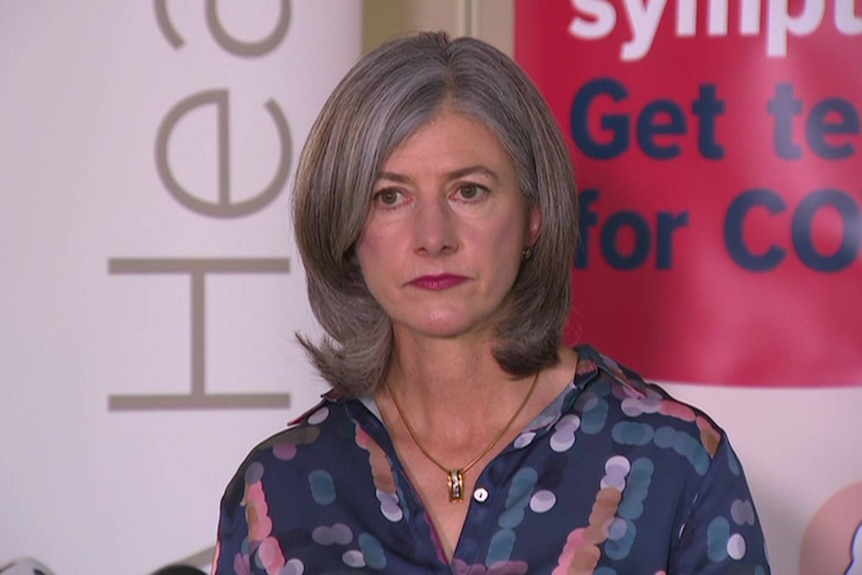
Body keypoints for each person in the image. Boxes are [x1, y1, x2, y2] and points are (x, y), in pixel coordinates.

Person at [212, 31, 771, 574]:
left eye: (468, 190)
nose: (432, 236)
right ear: (347, 228)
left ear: (535, 215)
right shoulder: (276, 490)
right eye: (390, 197)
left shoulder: (676, 463)